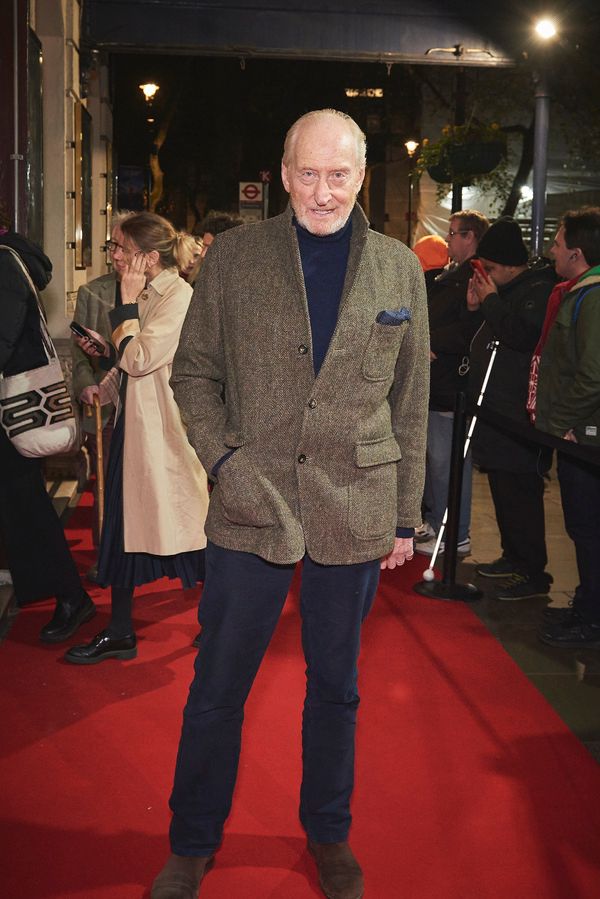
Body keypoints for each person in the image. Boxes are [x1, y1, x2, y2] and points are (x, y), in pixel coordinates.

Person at [150, 109, 429, 899]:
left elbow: (411, 400)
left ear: (362, 177)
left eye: (338, 174)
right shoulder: (234, 259)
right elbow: (194, 372)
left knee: (336, 685)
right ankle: (192, 840)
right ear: (282, 173)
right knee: (218, 685)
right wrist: (223, 459)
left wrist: (405, 515)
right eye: (307, 173)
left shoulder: (399, 269)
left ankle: (328, 831)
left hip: (356, 504)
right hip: (252, 500)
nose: (323, 190)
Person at [64, 212, 209, 665]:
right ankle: (121, 630)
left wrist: (125, 313)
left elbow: (143, 357)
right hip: (137, 426)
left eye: (120, 248)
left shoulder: (178, 296)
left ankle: (220, 619)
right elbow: (129, 361)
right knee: (124, 532)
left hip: (164, 433)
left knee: (193, 534)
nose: (113, 256)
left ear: (147, 257)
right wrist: (103, 376)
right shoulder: (149, 293)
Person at [0, 217, 95, 642]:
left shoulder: (5, 263)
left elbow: (5, 335)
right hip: (7, 406)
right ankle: (68, 593)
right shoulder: (13, 258)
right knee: (23, 503)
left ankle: (71, 595)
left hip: (8, 406)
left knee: (26, 505)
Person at [468, 217, 556, 600]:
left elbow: (520, 335)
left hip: (519, 413)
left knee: (521, 492)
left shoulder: (537, 290)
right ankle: (513, 556)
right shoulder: (512, 289)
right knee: (504, 489)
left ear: (509, 265)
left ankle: (533, 571)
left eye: (489, 270)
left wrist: (489, 301)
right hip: (497, 410)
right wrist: (479, 305)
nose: (485, 276)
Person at [535, 208, 600, 648]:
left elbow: (593, 373)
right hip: (579, 431)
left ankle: (592, 620)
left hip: (584, 435)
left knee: (589, 530)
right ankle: (585, 606)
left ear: (576, 253)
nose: (553, 250)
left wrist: (562, 423)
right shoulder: (581, 293)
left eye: (558, 243)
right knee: (582, 528)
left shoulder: (592, 297)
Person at [415, 210, 488, 558]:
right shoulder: (452, 275)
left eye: (453, 234)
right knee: (434, 461)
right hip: (437, 383)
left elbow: (468, 329)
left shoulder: (476, 277)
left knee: (447, 464)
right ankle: (437, 521)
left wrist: (430, 341)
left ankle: (454, 532)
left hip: (451, 385)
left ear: (470, 236)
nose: (448, 240)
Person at [72, 211, 132, 564]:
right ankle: (107, 558)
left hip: (150, 405)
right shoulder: (92, 293)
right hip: (106, 407)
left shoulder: (161, 292)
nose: (115, 254)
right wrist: (84, 385)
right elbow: (80, 358)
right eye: (112, 246)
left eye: (122, 246)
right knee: (107, 483)